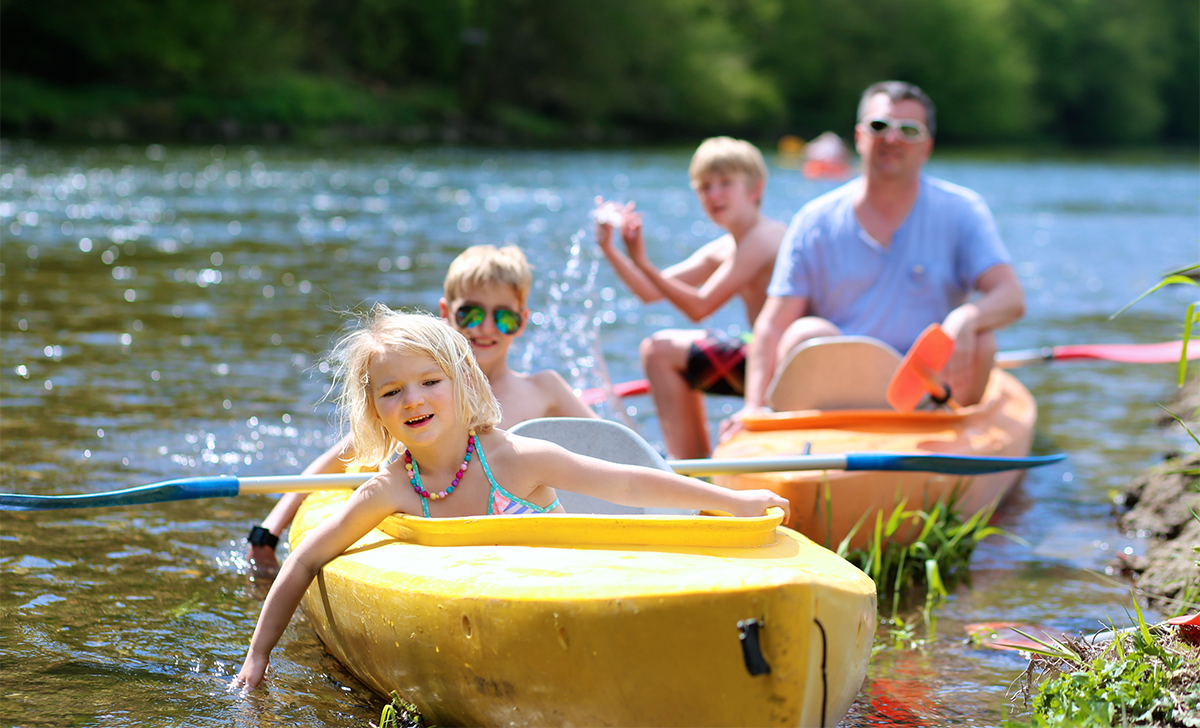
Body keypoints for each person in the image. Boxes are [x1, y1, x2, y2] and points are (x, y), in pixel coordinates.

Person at [232, 309, 789, 689]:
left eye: (430, 381)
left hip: (575, 601)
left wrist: (729, 502)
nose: (414, 399)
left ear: (462, 382)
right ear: (375, 410)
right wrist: (259, 655)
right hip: (494, 630)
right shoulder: (394, 488)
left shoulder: (513, 459)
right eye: (392, 391)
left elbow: (628, 482)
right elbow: (306, 558)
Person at [245, 245, 597, 573]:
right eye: (471, 313)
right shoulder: (412, 401)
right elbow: (338, 459)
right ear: (446, 313)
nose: (486, 327)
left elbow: (614, 447)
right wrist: (270, 530)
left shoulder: (544, 389)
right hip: (436, 535)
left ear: (522, 321)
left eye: (504, 318)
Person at [723, 81, 1025, 439]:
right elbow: (773, 326)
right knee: (805, 332)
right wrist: (753, 406)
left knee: (983, 338)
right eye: (880, 126)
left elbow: (1011, 297)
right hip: (834, 398)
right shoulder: (814, 220)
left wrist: (966, 317)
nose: (892, 139)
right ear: (859, 137)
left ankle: (951, 444)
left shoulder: (962, 211)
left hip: (927, 394)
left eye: (909, 130)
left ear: (926, 147)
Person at [594, 137, 786, 460]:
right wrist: (610, 249)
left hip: (785, 361)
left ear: (755, 189)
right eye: (704, 187)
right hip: (761, 357)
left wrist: (642, 261)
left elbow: (699, 307)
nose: (713, 195)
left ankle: (691, 472)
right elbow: (649, 291)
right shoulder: (726, 246)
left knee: (660, 351)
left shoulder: (765, 236)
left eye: (725, 183)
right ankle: (693, 473)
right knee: (658, 351)